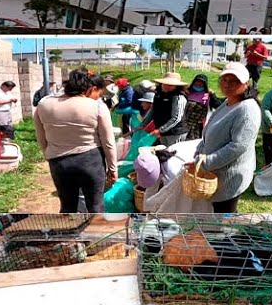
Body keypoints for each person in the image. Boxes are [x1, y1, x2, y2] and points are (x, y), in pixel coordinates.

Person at [32, 69, 118, 213]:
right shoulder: (96, 106)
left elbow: (41, 137)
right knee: (95, 206)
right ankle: (95, 234)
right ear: (90, 88)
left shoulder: (44, 104)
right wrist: (112, 168)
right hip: (90, 161)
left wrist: (49, 155)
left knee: (67, 206)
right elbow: (108, 141)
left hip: (59, 162)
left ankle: (67, 234)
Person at [190, 62, 261, 213]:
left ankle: (225, 235)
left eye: (234, 81)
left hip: (231, 176)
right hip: (216, 172)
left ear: (246, 84)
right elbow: (208, 133)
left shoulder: (247, 109)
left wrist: (207, 162)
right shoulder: (228, 102)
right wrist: (199, 152)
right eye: (224, 80)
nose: (227, 85)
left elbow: (238, 146)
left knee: (224, 216)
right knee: (217, 213)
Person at [137, 72, 190, 146]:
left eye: (170, 85)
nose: (166, 86)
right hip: (163, 132)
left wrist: (160, 130)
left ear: (176, 87)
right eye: (165, 84)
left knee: (173, 153)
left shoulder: (179, 98)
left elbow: (176, 118)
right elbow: (152, 112)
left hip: (175, 133)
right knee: (164, 152)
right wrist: (142, 125)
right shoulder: (158, 95)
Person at [182, 73, 221, 141]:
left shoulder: (207, 95)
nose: (198, 86)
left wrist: (213, 96)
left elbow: (218, 105)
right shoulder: (187, 93)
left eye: (200, 85)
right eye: (196, 84)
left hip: (197, 127)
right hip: (183, 124)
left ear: (204, 85)